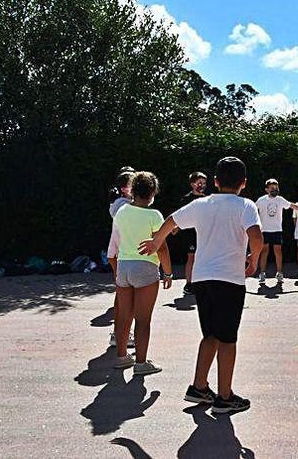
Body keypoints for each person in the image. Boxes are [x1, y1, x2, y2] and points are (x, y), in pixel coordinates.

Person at [140, 156, 263, 414]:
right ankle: (225, 397)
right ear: (243, 183)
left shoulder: (201, 204)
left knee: (210, 334)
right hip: (229, 279)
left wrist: (155, 242)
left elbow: (172, 220)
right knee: (228, 339)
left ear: (215, 181)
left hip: (202, 279)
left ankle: (199, 386)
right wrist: (253, 261)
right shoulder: (246, 205)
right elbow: (256, 236)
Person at [111, 171, 172, 376]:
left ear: (133, 191)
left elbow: (119, 238)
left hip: (124, 265)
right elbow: (161, 247)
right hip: (145, 267)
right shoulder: (154, 215)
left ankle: (121, 357)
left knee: (123, 316)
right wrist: (168, 273)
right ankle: (141, 363)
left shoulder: (121, 212)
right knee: (143, 319)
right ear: (153, 192)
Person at [107, 168, 135, 349]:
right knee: (126, 297)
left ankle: (119, 334)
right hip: (122, 253)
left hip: (120, 253)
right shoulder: (122, 206)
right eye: (133, 184)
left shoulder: (124, 204)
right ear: (124, 188)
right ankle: (121, 335)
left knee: (122, 295)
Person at [254, 179, 298, 284]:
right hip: (264, 230)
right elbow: (252, 210)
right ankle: (262, 273)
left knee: (278, 252)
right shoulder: (261, 200)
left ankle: (279, 273)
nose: (274, 190)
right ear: (266, 189)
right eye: (272, 188)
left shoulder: (280, 200)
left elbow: (291, 205)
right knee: (264, 252)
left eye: (276, 188)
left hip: (277, 230)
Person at [175, 171, 208, 294]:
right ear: (192, 184)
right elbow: (180, 215)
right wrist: (176, 227)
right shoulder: (186, 199)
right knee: (192, 257)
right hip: (190, 234)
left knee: (203, 258)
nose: (202, 185)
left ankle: (201, 282)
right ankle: (189, 283)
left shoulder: (206, 199)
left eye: (204, 183)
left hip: (204, 233)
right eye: (199, 183)